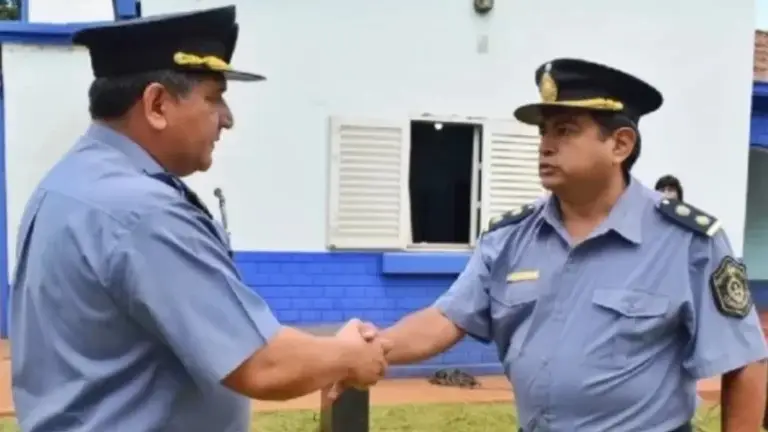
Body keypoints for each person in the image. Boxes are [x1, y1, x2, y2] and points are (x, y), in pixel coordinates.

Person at [9, 6, 389, 432]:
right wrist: (349, 355)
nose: (227, 118)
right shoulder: (141, 211)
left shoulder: (70, 183)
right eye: (213, 97)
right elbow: (262, 365)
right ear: (156, 104)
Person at [339, 58, 768, 430]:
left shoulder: (688, 243)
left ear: (620, 144)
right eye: (544, 132)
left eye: (565, 131)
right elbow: (446, 319)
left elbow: (745, 362)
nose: (545, 145)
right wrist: (367, 349)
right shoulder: (510, 237)